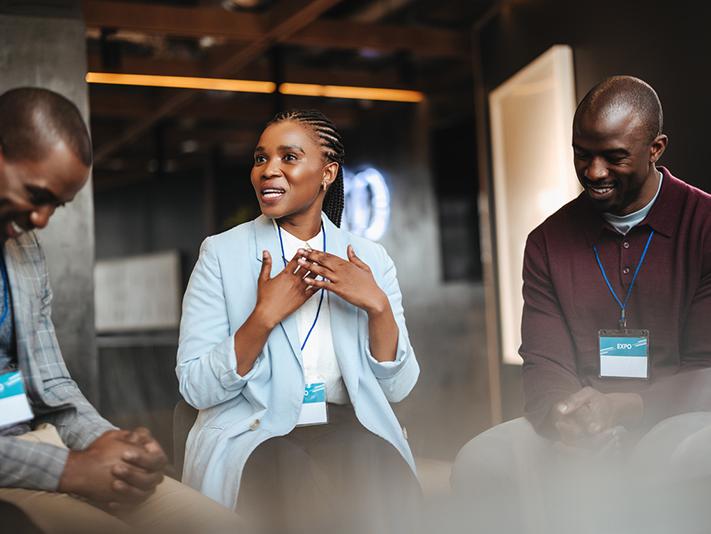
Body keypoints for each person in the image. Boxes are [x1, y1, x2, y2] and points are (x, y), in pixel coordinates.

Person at [451, 76, 711, 531]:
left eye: (614, 157)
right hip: (587, 420)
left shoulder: (705, 225)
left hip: (687, 416)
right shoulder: (547, 242)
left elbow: (705, 373)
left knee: (655, 459)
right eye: (581, 153)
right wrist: (563, 419)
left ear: (656, 148)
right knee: (481, 461)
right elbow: (544, 360)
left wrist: (623, 408)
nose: (593, 172)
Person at [0, 87, 241, 534]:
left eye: (58, 205)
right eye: (37, 194)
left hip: (42, 443)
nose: (42, 220)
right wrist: (69, 470)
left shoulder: (25, 250)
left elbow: (51, 383)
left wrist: (111, 443)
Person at [177, 109, 421, 533]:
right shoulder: (221, 254)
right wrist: (263, 316)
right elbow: (196, 386)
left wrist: (377, 306)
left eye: (288, 157)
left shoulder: (369, 259)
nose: (268, 170)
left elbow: (398, 388)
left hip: (347, 425)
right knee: (289, 480)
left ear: (327, 173)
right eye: (260, 158)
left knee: (375, 471)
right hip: (257, 430)